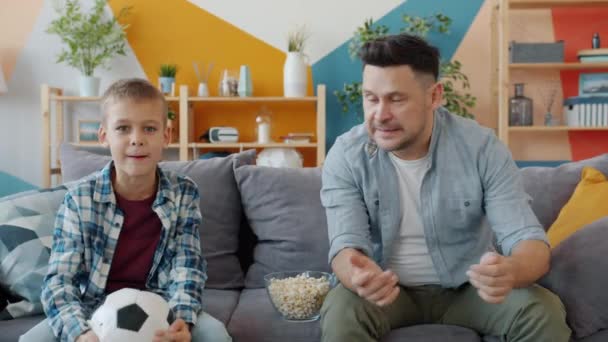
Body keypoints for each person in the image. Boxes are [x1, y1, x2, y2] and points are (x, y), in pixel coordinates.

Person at [319, 33, 571, 342]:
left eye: (396, 99)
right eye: (371, 98)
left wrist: (512, 270)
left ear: (434, 96)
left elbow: (528, 240)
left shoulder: (482, 148)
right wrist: (358, 276)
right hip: (387, 293)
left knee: (542, 310)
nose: (380, 115)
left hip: (470, 290)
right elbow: (346, 247)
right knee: (342, 309)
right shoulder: (346, 155)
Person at [20, 79, 231, 342]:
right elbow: (59, 281)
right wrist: (80, 333)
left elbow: (187, 267)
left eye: (150, 129)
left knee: (215, 335)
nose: (137, 140)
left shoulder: (183, 193)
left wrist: (182, 320)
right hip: (91, 308)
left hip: (162, 308)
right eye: (122, 128)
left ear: (166, 136)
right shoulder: (79, 199)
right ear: (104, 136)